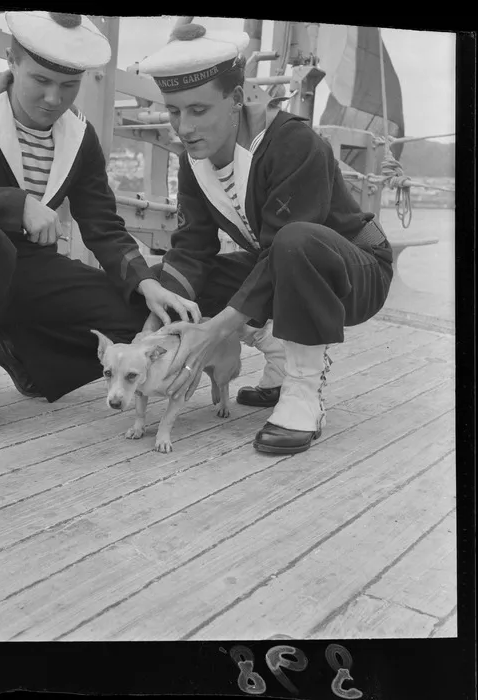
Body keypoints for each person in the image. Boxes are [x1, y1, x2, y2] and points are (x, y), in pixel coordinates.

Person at [0, 11, 199, 444]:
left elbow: (102, 225)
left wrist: (145, 284)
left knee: (136, 320)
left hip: (30, 268)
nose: (52, 97)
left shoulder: (80, 137)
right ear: (12, 61)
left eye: (67, 85)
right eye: (40, 80)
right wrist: (14, 203)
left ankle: (25, 357)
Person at [137, 23, 393, 454]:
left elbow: (286, 248)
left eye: (198, 110)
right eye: (174, 111)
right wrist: (157, 323)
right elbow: (193, 249)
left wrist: (215, 332)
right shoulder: (193, 163)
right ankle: (278, 368)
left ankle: (303, 392)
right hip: (283, 264)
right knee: (163, 278)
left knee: (295, 243)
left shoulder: (292, 141)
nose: (184, 126)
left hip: (357, 270)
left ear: (236, 99)